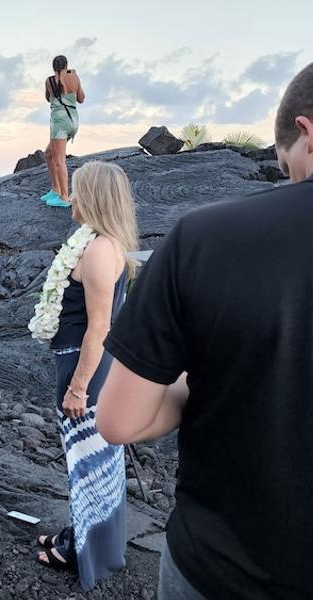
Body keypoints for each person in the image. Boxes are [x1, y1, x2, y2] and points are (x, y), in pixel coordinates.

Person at [97, 62, 313, 600]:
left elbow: (121, 420)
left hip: (226, 568)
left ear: (306, 132)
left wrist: (202, 382)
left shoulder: (204, 236)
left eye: (285, 165)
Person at [29, 161, 137, 591]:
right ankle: (86, 542)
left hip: (83, 367)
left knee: (88, 465)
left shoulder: (95, 251)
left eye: (76, 190)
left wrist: (77, 387)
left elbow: (99, 328)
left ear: (91, 196)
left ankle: (83, 554)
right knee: (98, 462)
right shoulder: (107, 243)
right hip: (92, 365)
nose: (70, 197)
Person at [41, 55, 85, 208]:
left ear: (53, 67)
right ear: (67, 65)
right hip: (73, 122)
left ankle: (64, 197)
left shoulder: (50, 81)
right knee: (48, 154)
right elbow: (81, 98)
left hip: (59, 124)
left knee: (59, 160)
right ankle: (55, 189)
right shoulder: (74, 77)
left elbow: (48, 98)